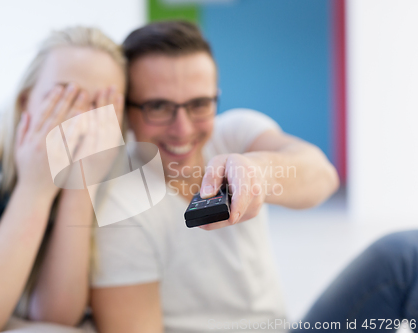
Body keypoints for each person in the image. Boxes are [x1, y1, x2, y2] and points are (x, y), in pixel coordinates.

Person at [89, 21, 339, 333]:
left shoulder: (234, 133)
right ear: (126, 111)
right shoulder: (119, 204)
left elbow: (323, 177)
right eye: (158, 106)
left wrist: (257, 171)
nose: (183, 128)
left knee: (403, 257)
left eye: (199, 104)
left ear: (215, 97)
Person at [0, 26, 126, 333]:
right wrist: (35, 187)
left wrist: (81, 186)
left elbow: (56, 317)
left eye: (100, 105)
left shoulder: (108, 165)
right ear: (25, 100)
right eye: (64, 95)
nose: (82, 117)